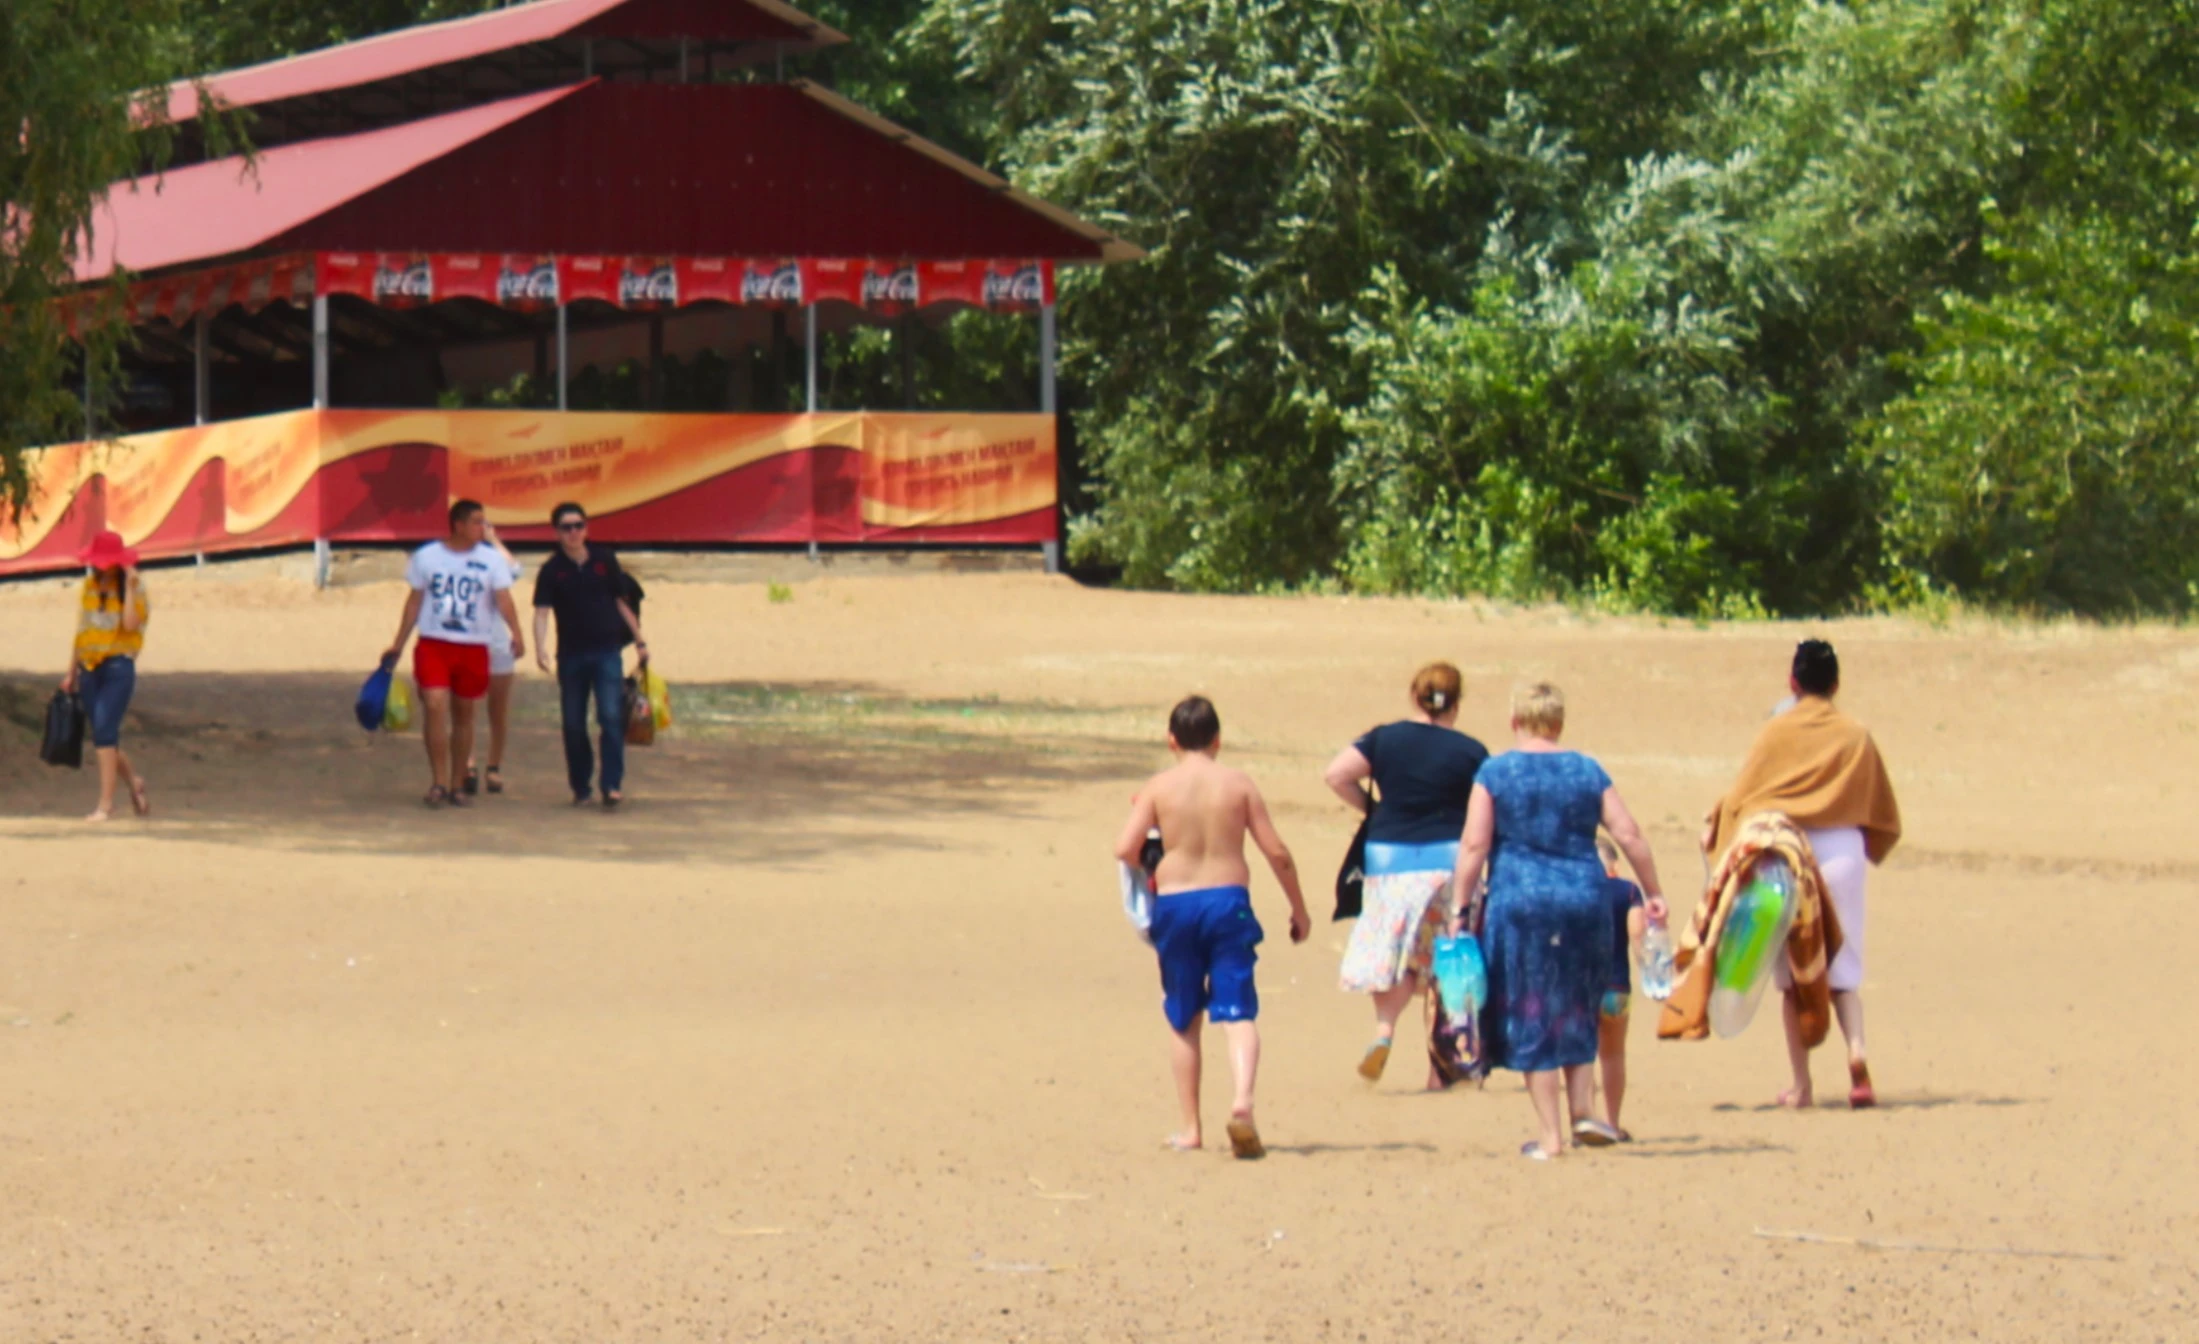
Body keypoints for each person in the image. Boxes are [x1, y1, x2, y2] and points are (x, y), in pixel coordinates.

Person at [1452, 682, 1667, 1160]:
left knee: (1531, 1010)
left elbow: (1474, 845)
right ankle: (1583, 1111)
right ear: (1559, 723)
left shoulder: (1496, 772)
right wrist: (1653, 892)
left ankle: (1550, 1137)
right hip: (1584, 901)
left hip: (1521, 903)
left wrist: (1459, 909)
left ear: (1515, 721)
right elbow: (1628, 833)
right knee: (1577, 1004)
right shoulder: (1586, 770)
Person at [1701, 639, 1901, 1110]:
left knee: (1792, 977)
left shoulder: (1775, 731)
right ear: (1836, 684)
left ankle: (1802, 1085)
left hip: (1786, 854)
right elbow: (1880, 807)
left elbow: (1743, 796)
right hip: (1842, 852)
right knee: (1843, 972)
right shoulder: (1855, 734)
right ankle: (1857, 1054)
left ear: (1792, 681)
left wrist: (1717, 830)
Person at [1114, 696, 1311, 1159]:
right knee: (1237, 1011)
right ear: (1218, 740)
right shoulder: (1238, 785)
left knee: (1184, 1016)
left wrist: (1154, 857)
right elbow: (1276, 852)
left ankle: (1190, 1128)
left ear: (1171, 740)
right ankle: (1242, 1103)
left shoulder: (1158, 788)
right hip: (1228, 902)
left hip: (1177, 905)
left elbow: (1124, 848)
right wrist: (1298, 909)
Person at [1323, 661, 1489, 1089]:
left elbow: (1336, 774)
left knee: (1396, 955)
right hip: (1448, 860)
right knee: (1442, 962)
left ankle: (1384, 1031)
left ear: (1415, 696)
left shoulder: (1384, 738)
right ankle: (1440, 1069)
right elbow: (1486, 810)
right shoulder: (1471, 751)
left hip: (1388, 859)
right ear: (1456, 703)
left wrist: (1374, 809)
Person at [383, 499, 525, 807]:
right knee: (435, 704)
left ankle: (458, 781)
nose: (482, 528)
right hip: (435, 641)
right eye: (476, 522)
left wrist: (516, 632)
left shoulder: (491, 559)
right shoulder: (427, 557)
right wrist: (399, 642)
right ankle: (438, 780)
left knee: (464, 713)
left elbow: (504, 599)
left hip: (473, 643)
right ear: (458, 525)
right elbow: (414, 601)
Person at [531, 502, 645, 808]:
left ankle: (611, 784)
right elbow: (541, 612)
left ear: (586, 528)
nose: (573, 533)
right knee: (573, 723)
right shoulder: (552, 570)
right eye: (566, 528)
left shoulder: (604, 559)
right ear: (557, 533)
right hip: (571, 655)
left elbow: (621, 602)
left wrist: (639, 640)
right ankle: (581, 785)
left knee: (610, 716)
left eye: (578, 526)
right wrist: (540, 647)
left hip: (606, 651)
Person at [62, 530, 151, 822]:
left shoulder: (134, 588)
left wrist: (131, 587)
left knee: (104, 731)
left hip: (117, 666)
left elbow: (131, 624)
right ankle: (133, 781)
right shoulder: (90, 586)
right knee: (103, 736)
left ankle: (106, 804)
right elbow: (82, 630)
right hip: (89, 666)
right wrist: (71, 671)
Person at [464, 522, 527, 797]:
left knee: (498, 710)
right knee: (467, 708)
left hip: (498, 643)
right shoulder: (454, 559)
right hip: (467, 642)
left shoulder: (493, 560)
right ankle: (468, 764)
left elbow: (516, 569)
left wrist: (493, 539)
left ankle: (493, 766)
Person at [1594, 834, 1648, 1139]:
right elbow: (1637, 934)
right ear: (1613, 863)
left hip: (1579, 988)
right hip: (1616, 987)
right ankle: (1612, 1123)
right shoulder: (1628, 891)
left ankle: (1584, 1120)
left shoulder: (1576, 891)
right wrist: (1649, 970)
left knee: (1581, 1056)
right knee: (1613, 1055)